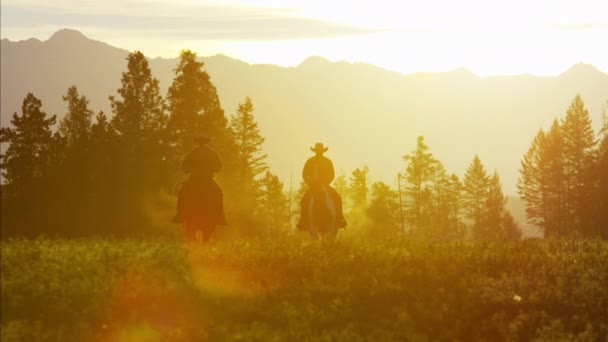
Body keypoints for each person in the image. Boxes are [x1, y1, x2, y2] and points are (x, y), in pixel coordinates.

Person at [172, 135, 227, 225]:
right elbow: (184, 166)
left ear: (206, 143)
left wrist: (211, 169)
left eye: (203, 142)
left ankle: (219, 217)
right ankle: (180, 215)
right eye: (200, 142)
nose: (201, 144)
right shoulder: (194, 153)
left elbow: (219, 166)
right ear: (198, 143)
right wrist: (189, 169)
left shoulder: (211, 153)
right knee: (181, 192)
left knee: (219, 193)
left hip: (206, 179)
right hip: (195, 179)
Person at [297, 143, 347, 230]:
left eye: (320, 151)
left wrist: (325, 183)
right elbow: (305, 174)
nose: (319, 153)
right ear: (315, 151)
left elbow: (332, 174)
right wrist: (310, 183)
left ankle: (339, 219)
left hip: (325, 185)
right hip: (313, 186)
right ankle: (303, 221)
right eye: (317, 151)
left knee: (337, 198)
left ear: (322, 152)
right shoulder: (310, 161)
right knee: (304, 201)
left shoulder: (327, 161)